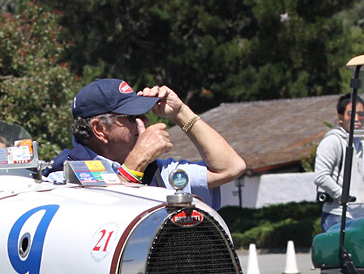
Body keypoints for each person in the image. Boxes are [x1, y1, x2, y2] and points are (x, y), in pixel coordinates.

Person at [46, 79, 245, 208]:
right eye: (133, 117)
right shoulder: (61, 177)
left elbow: (230, 168)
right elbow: (102, 219)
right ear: (100, 129)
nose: (145, 122)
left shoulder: (156, 171)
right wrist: (136, 162)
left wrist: (181, 113)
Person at [314, 93, 364, 232]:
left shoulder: (361, 142)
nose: (356, 118)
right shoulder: (332, 141)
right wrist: (343, 196)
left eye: (360, 114)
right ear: (340, 117)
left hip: (360, 215)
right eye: (351, 113)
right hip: (338, 215)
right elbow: (320, 176)